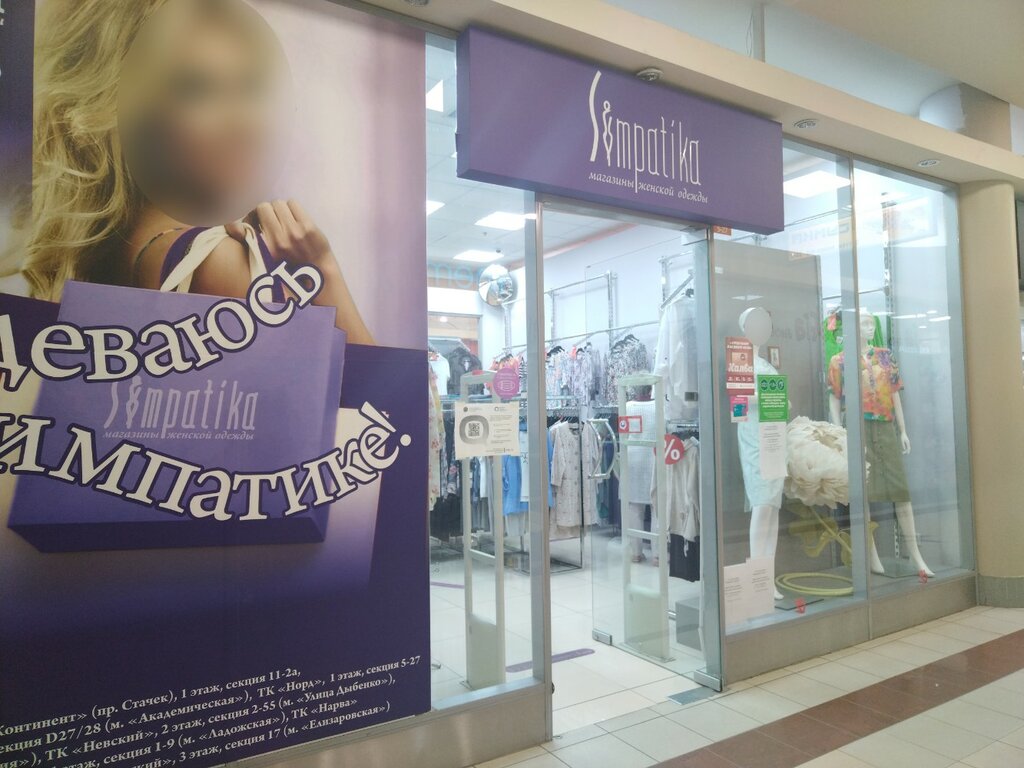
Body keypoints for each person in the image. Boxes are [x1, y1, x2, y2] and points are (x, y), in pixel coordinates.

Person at [4, 0, 373, 344]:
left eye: (251, 87)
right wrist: (324, 272)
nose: (246, 123)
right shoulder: (217, 262)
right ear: (114, 112)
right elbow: (373, 388)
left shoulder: (110, 250)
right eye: (197, 89)